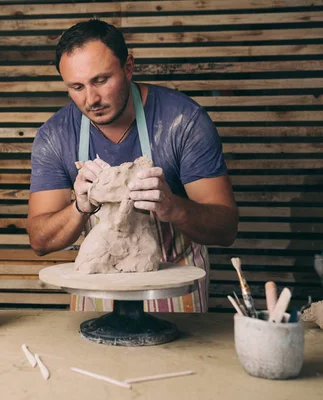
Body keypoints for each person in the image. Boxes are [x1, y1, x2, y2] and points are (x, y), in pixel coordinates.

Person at [27, 19, 238, 312]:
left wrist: (172, 207)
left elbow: (226, 229)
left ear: (128, 68)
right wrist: (80, 208)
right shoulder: (56, 135)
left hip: (170, 282)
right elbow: (39, 240)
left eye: (101, 80)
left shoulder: (183, 122)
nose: (91, 99)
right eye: (76, 87)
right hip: (98, 282)